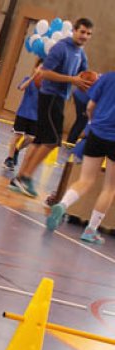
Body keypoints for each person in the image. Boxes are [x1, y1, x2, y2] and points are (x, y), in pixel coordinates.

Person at [10, 18, 93, 198]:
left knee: (40, 140)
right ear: (75, 31)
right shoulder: (61, 48)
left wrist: (95, 81)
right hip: (50, 97)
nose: (84, 36)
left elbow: (84, 76)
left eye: (88, 33)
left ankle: (18, 178)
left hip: (60, 98)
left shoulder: (81, 53)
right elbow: (44, 72)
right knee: (53, 141)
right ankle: (26, 176)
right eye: (82, 32)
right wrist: (72, 80)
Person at [45, 72, 111, 244]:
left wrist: (93, 122)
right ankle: (91, 230)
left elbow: (90, 106)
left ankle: (63, 204)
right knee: (110, 187)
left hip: (96, 134)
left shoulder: (107, 78)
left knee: (85, 179)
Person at [4, 60, 43, 170]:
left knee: (31, 138)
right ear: (35, 68)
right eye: (40, 68)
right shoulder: (28, 79)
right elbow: (21, 87)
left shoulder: (45, 85)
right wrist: (33, 77)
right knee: (17, 135)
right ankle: (9, 158)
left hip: (36, 116)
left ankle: (17, 150)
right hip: (23, 113)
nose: (41, 70)